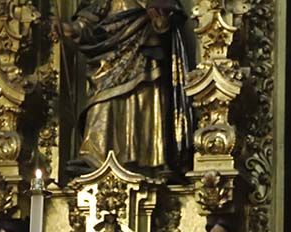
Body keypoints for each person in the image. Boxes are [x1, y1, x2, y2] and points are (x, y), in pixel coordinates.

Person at [56, 0, 195, 174]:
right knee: (102, 99)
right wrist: (73, 29)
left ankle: (151, 158)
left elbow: (170, 22)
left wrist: (162, 23)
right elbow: (88, 23)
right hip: (107, 56)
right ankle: (95, 156)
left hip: (144, 47)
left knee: (146, 94)